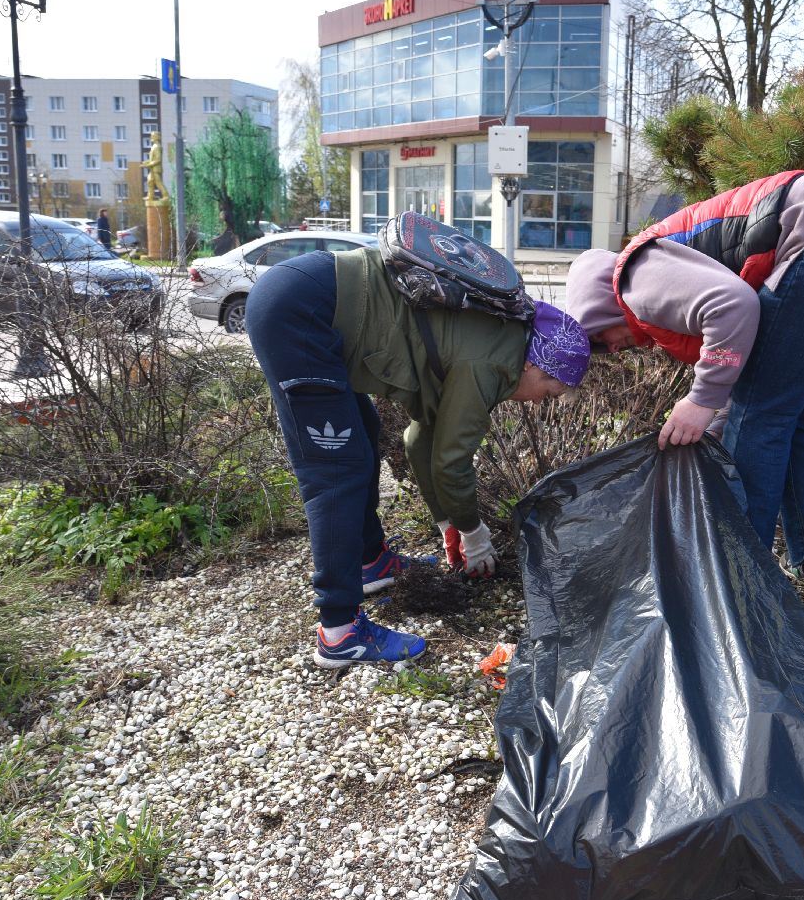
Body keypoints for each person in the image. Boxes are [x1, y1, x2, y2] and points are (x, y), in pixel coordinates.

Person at [564, 169, 804, 598]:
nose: (616, 349)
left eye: (602, 341)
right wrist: (720, 410)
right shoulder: (658, 269)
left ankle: (737, 584)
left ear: (599, 311)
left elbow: (732, 306)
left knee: (760, 416)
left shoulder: (635, 276)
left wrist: (703, 400)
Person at [245, 232, 589, 668]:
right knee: (335, 473)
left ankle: (371, 564)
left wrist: (446, 521)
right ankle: (340, 632)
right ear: (534, 363)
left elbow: (420, 438)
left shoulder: (496, 341)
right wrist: (473, 534)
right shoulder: (490, 364)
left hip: (307, 292)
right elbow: (450, 461)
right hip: (301, 313)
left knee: (362, 436)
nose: (542, 401)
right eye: (549, 389)